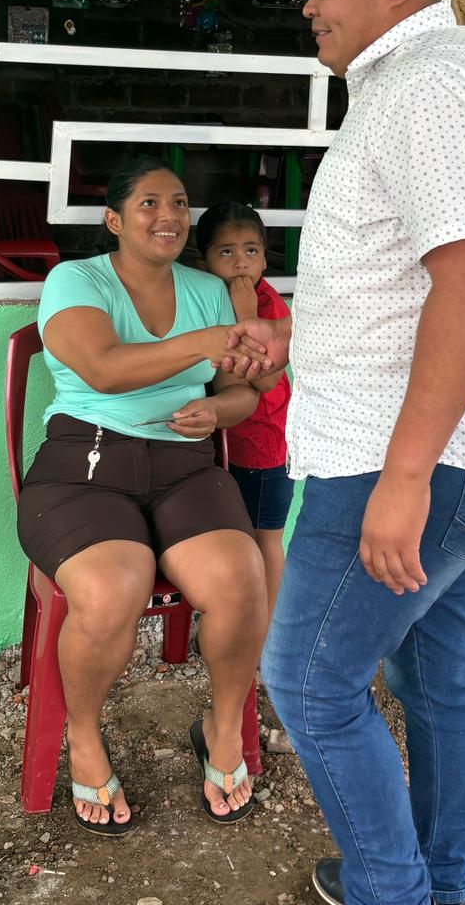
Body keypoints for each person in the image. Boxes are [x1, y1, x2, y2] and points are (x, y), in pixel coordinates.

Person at [225, 0, 465, 905]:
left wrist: (406, 476)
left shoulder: (430, 90)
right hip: (456, 451)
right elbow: (406, 282)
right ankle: (431, 884)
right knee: (434, 666)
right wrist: (294, 337)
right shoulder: (411, 87)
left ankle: (394, 890)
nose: (307, 6)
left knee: (310, 681)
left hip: (412, 460)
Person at [16, 156, 268, 834]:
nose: (169, 216)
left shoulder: (208, 290)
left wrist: (219, 410)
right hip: (85, 464)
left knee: (241, 582)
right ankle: (84, 736)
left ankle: (221, 728)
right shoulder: (77, 280)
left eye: (180, 203)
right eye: (150, 203)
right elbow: (101, 369)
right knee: (112, 589)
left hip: (186, 465)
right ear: (114, 220)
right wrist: (203, 343)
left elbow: (241, 391)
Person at [196, 202, 294, 622]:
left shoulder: (268, 305)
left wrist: (246, 313)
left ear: (266, 259)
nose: (241, 263)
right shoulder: (207, 299)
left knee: (264, 540)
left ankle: (268, 632)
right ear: (203, 261)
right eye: (227, 252)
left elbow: (267, 379)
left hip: (264, 448)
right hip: (230, 442)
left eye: (251, 251)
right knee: (237, 539)